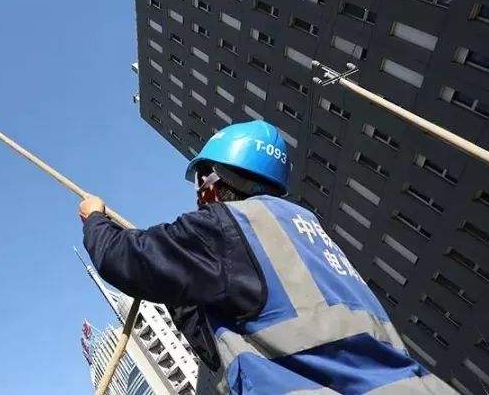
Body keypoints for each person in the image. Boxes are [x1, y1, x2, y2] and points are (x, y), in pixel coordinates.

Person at [80, 120, 455, 394]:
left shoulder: (226, 227)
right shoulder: (306, 230)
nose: (198, 195)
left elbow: (125, 259)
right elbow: (245, 318)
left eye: (200, 180)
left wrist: (94, 218)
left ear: (218, 176)